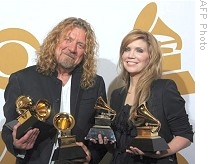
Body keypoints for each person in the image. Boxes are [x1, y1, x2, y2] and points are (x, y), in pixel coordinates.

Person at [1, 17, 108, 164]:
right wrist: (16, 144)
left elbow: (102, 132)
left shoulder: (95, 84)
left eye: (80, 45)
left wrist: (91, 156)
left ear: (86, 53)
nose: (72, 49)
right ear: (55, 40)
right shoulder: (22, 79)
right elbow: (9, 127)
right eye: (68, 39)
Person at [108, 29, 194, 164]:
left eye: (139, 50)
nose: (131, 55)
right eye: (127, 49)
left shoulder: (163, 89)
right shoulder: (116, 95)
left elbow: (185, 135)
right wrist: (104, 141)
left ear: (151, 57)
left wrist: (160, 154)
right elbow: (117, 142)